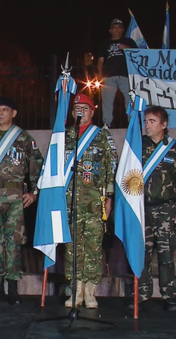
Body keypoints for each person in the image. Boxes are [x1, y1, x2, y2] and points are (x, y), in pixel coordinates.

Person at [0, 96, 43, 305]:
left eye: (5, 110)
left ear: (14, 113)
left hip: (16, 198)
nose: (0, 113)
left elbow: (37, 166)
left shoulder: (24, 139)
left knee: (14, 242)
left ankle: (13, 287)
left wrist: (34, 192)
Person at [132, 106, 176, 311]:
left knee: (167, 255)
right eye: (146, 121)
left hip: (167, 209)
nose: (147, 125)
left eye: (152, 121)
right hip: (143, 209)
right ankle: (141, 293)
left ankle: (169, 295)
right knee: (143, 254)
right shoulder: (137, 146)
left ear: (163, 124)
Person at [63, 94, 117, 309]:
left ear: (92, 112)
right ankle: (75, 290)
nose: (80, 111)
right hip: (69, 201)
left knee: (93, 246)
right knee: (72, 247)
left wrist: (110, 197)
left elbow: (112, 168)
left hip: (95, 200)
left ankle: (90, 291)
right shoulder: (66, 136)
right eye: (77, 108)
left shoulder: (102, 136)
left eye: (84, 108)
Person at [97, 19, 138, 128]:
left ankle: (132, 122)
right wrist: (100, 74)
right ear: (110, 30)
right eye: (114, 27)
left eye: (119, 27)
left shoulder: (129, 42)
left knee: (130, 99)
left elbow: (138, 54)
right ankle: (107, 123)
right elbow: (100, 60)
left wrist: (126, 48)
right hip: (109, 75)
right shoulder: (105, 43)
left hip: (126, 75)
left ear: (123, 29)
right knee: (107, 101)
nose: (117, 29)